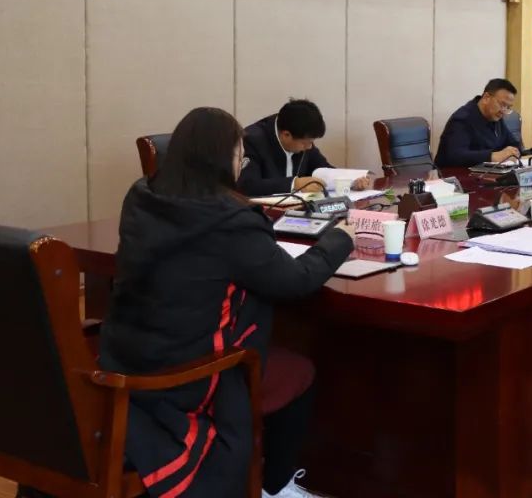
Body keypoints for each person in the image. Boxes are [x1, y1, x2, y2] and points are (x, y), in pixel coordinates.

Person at [99, 107, 355, 498]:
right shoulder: (230, 220)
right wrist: (340, 239)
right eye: (241, 157)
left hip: (125, 359)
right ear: (224, 159)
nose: (242, 165)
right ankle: (274, 486)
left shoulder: (141, 196)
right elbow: (294, 281)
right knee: (298, 370)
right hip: (190, 378)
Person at [238, 99, 370, 197]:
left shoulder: (302, 137)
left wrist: (351, 181)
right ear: (286, 135)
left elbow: (323, 169)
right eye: (306, 143)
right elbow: (248, 185)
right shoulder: (252, 140)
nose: (309, 147)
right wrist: (295, 184)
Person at [435, 79, 522, 167]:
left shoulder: (496, 117)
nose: (504, 111)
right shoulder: (462, 119)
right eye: (502, 104)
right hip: (454, 173)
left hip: (486, 172)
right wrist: (492, 156)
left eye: (508, 107)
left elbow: (513, 144)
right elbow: (455, 155)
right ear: (486, 98)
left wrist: (513, 152)